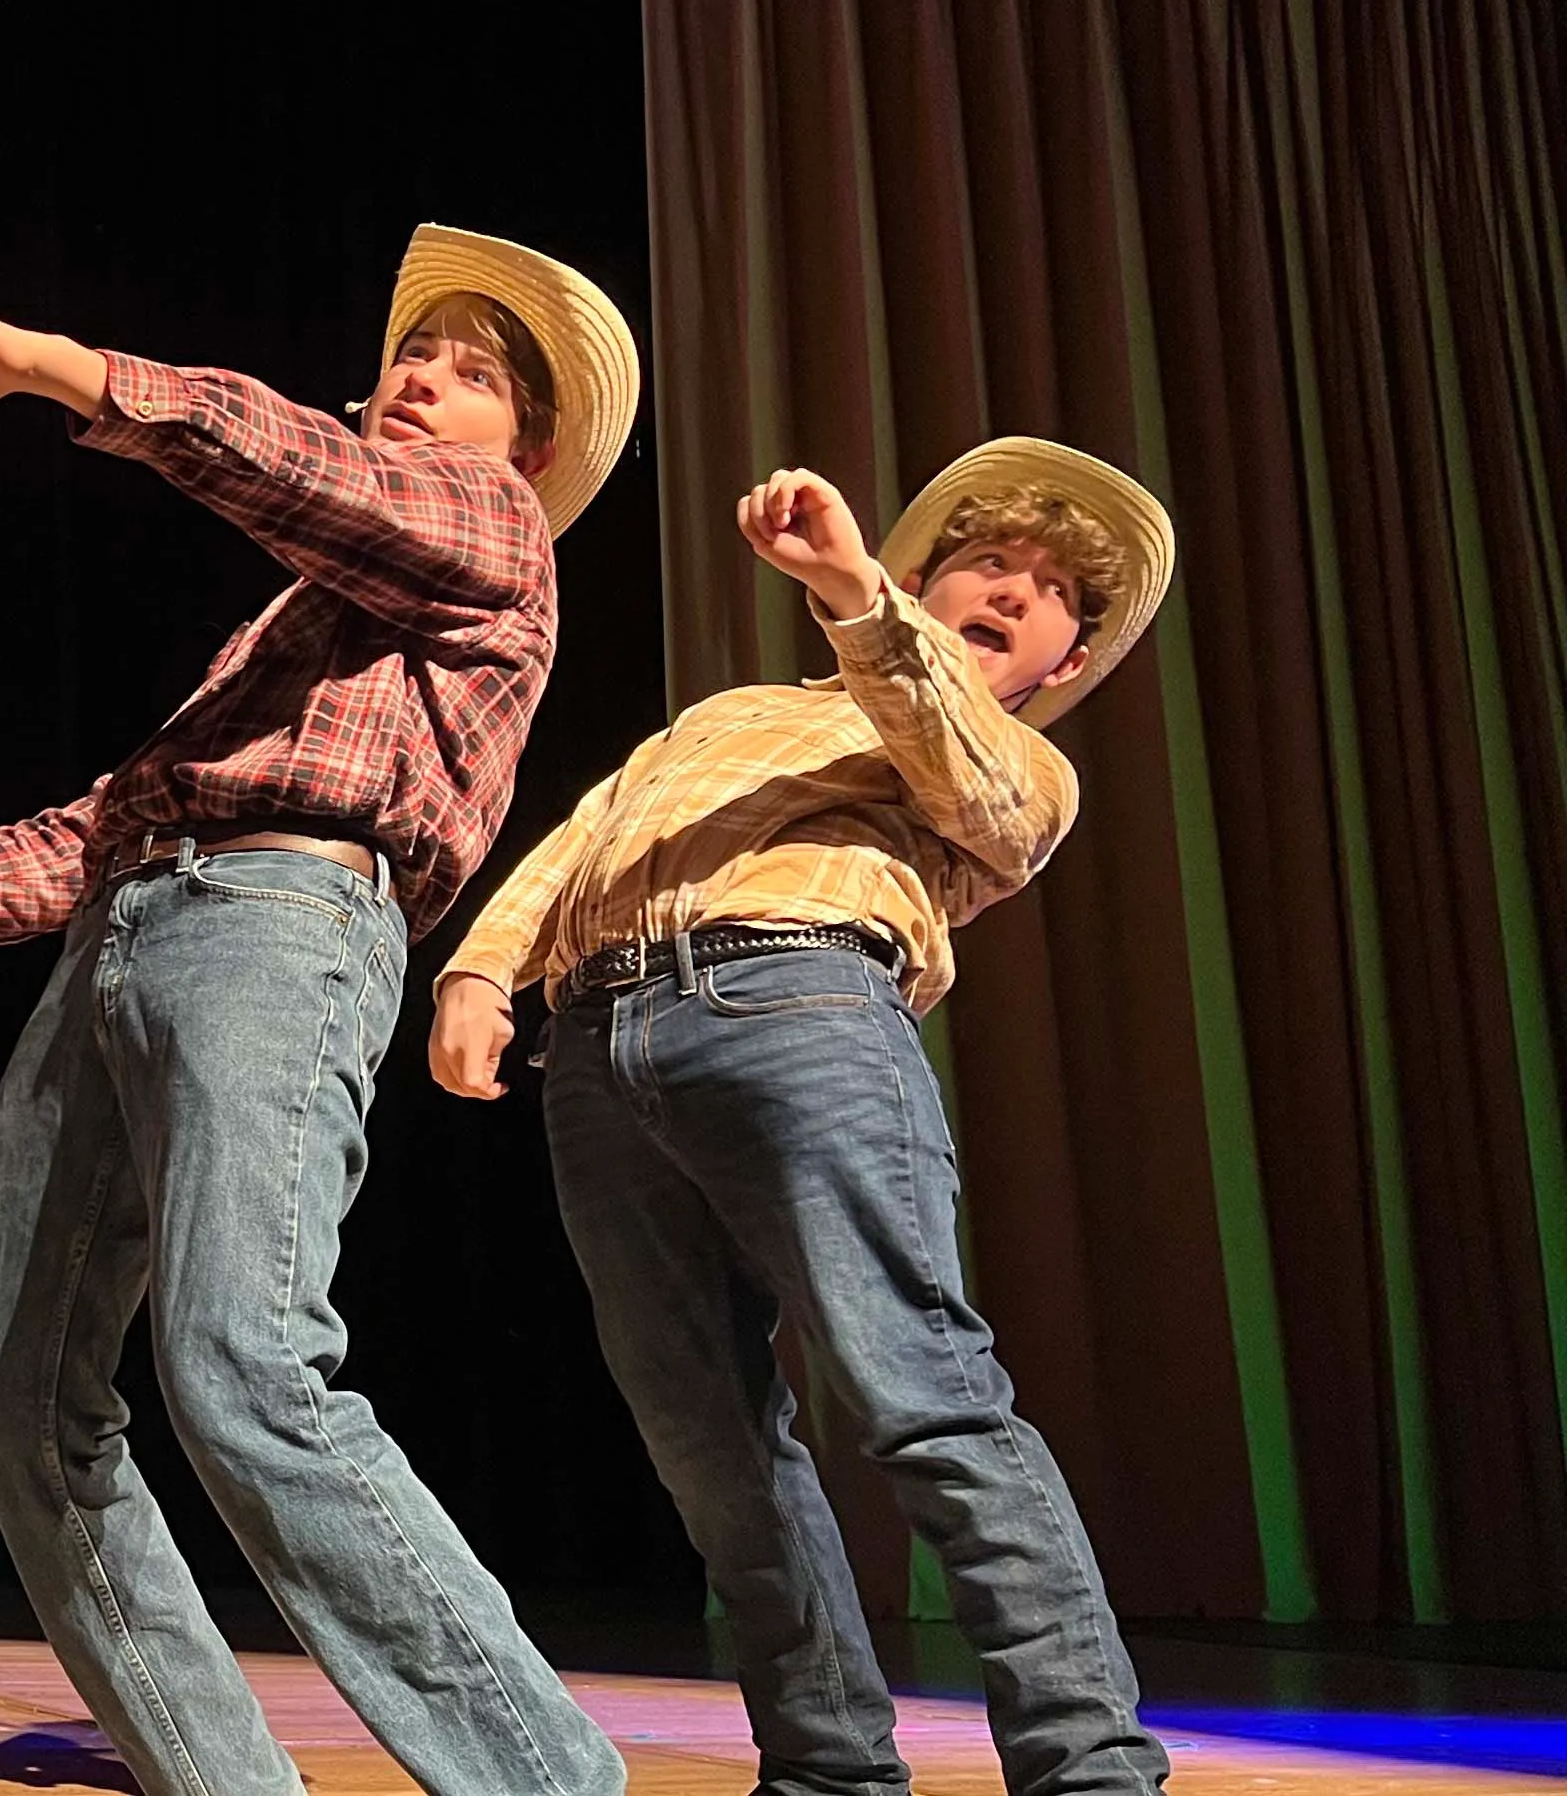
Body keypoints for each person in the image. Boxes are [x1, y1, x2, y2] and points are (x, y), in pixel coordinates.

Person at [0, 230, 640, 1796]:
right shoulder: (298, 627)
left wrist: (60, 365)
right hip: (138, 924)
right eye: (416, 356)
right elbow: (122, 813)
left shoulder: (493, 524)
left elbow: (303, 470)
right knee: (14, 1407)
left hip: (281, 923)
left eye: (470, 379)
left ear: (521, 449)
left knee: (245, 1358)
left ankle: (543, 1778)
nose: (421, 380)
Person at [427, 440, 1176, 1796]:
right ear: (932, 574)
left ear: (1062, 661)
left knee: (925, 1395)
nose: (1012, 585)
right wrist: (485, 966)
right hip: (599, 1037)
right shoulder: (730, 712)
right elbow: (589, 831)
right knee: (704, 1434)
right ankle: (828, 1768)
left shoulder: (1012, 753)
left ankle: (1090, 1768)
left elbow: (971, 786)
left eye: (1050, 588)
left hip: (800, 998)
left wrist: (857, 597)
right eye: (990, 560)